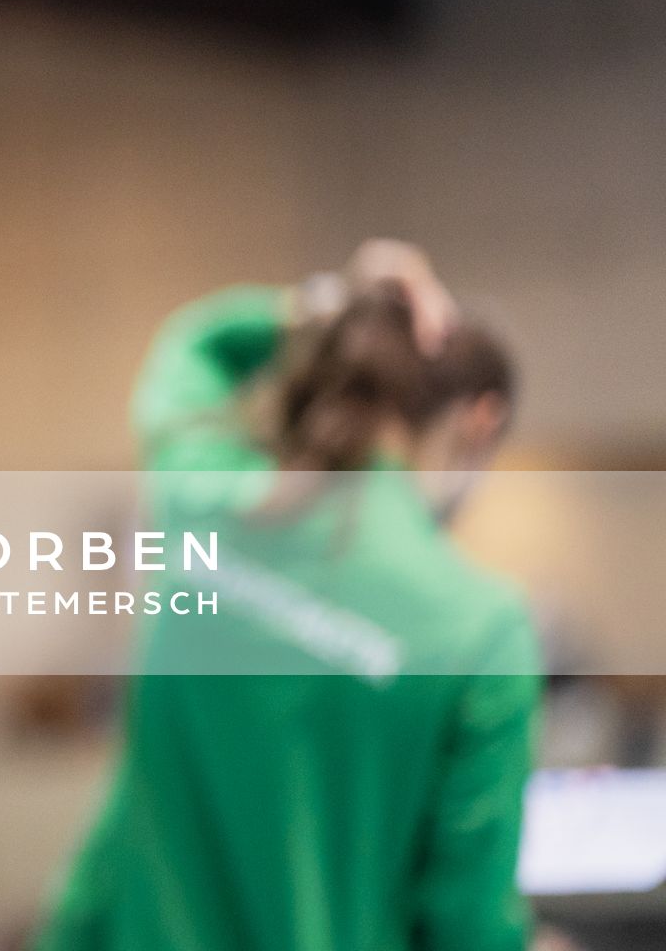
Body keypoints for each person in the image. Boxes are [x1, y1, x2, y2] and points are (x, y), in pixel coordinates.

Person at [36, 239, 542, 951]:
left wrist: (325, 308)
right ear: (482, 419)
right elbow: (468, 924)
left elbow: (194, 346)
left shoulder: (205, 496)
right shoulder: (482, 627)